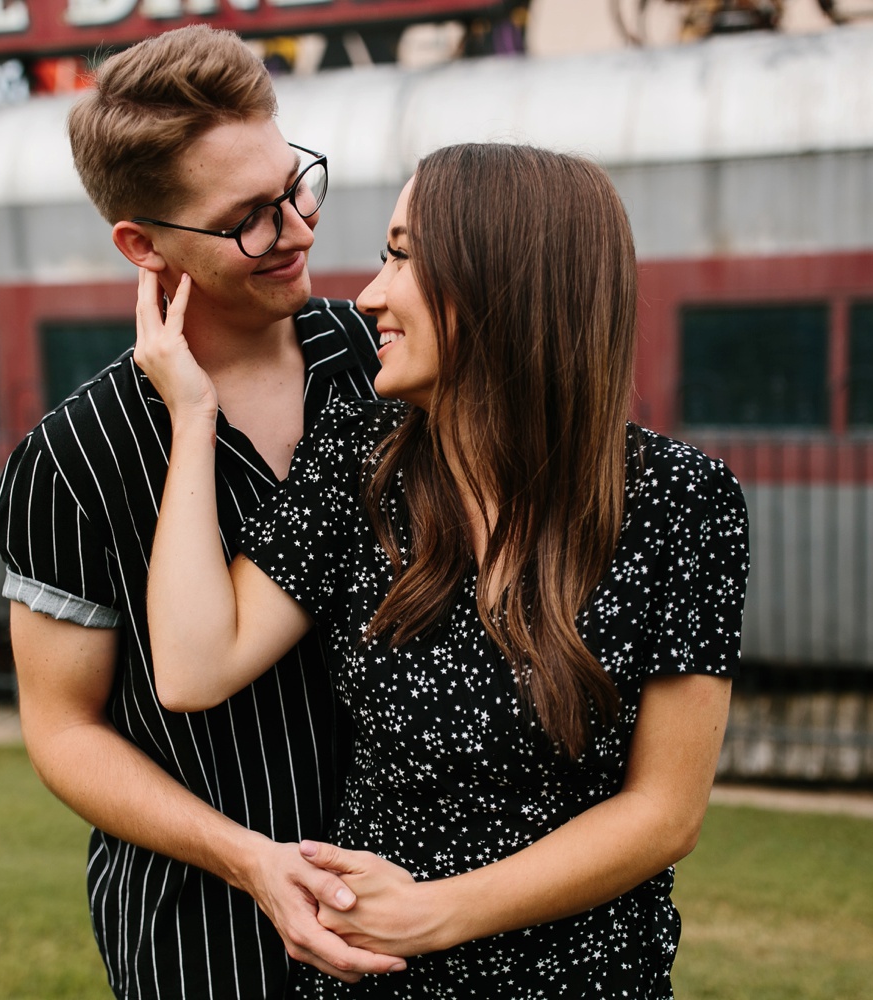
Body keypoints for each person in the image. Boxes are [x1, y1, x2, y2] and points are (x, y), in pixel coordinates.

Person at [137, 143, 751, 997]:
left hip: (584, 977)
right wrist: (193, 415)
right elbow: (193, 667)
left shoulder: (683, 502)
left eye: (403, 257)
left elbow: (664, 813)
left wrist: (439, 911)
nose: (369, 295)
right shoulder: (359, 462)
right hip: (370, 975)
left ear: (502, 282)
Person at [0, 25, 407, 1000]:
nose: (299, 228)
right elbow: (62, 732)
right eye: (250, 217)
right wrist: (247, 857)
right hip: (205, 944)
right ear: (141, 243)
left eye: (296, 183)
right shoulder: (72, 459)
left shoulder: (382, 363)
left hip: (410, 909)